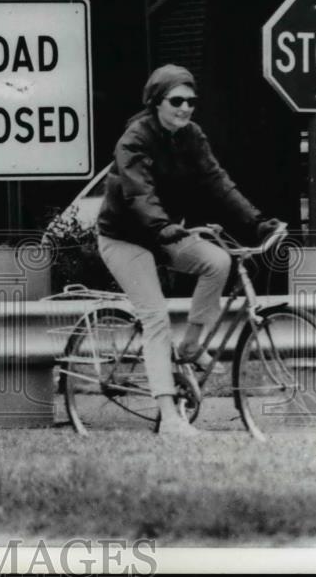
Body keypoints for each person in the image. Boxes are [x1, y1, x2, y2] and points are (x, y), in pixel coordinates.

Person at [96, 65, 282, 436]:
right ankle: (168, 416)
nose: (185, 108)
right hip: (125, 237)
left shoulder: (192, 136)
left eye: (191, 101)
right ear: (155, 103)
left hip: (164, 231)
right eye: (176, 101)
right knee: (156, 318)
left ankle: (193, 345)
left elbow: (218, 182)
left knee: (218, 261)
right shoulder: (134, 139)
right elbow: (138, 193)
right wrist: (162, 226)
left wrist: (256, 221)